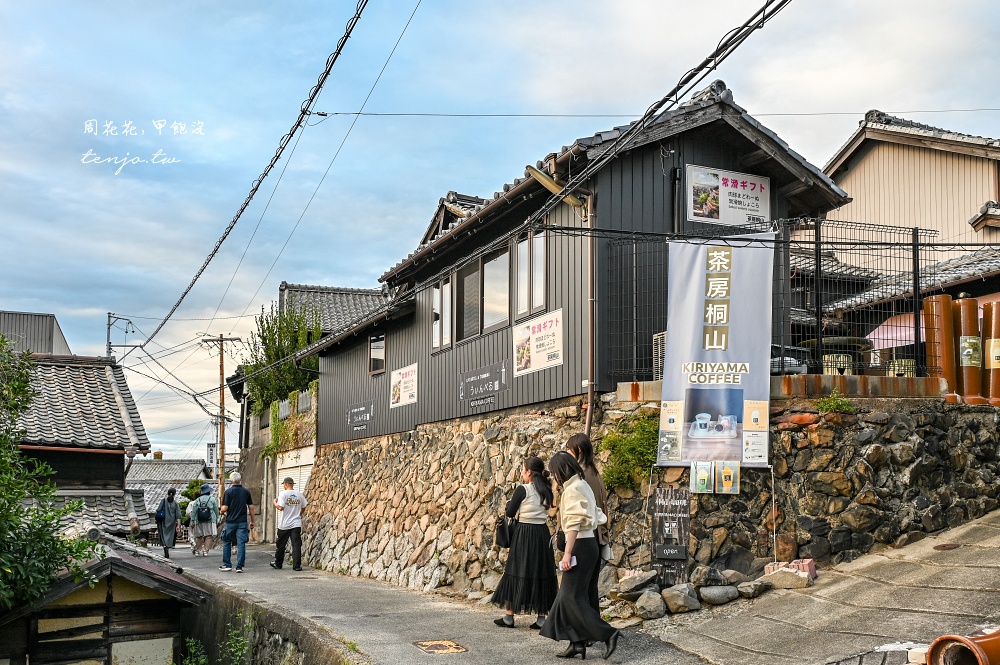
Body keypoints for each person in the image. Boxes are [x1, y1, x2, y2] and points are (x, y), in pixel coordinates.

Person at [540, 452, 620, 660]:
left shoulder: (573, 489)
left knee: (571, 597)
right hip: (589, 544)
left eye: (554, 472)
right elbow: (598, 514)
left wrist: (567, 553)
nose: (554, 477)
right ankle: (576, 644)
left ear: (561, 470)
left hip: (579, 546)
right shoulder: (583, 485)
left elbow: (574, 523)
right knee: (573, 596)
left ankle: (608, 633)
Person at [491, 457, 558, 629]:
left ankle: (509, 616)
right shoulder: (546, 488)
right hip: (542, 533)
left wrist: (509, 506)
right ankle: (541, 618)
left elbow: (511, 512)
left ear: (528, 472)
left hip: (524, 533)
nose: (522, 473)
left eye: (523, 470)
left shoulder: (523, 489)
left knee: (516, 570)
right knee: (540, 571)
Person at [566, 433, 611, 612]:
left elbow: (580, 512)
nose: (568, 454)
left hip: (585, 536)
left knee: (578, 589)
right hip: (598, 536)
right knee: (590, 587)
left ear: (578, 451)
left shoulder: (581, 476)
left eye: (569, 450)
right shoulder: (594, 471)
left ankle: (588, 630)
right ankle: (593, 628)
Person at [219, 471, 255, 573]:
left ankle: (227, 564)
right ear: (240, 480)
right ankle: (239, 566)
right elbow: (251, 507)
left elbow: (225, 508)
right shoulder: (246, 492)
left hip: (230, 522)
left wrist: (221, 511)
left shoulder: (228, 492)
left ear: (231, 480)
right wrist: (252, 521)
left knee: (226, 541)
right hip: (242, 521)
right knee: (241, 543)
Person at [270, 477, 308, 571]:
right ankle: (297, 566)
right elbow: (304, 507)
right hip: (296, 523)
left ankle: (278, 564)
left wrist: (274, 502)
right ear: (292, 484)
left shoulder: (283, 494)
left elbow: (280, 508)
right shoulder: (299, 495)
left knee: (281, 545)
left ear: (286, 484)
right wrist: (298, 514)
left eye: (284, 484)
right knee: (296, 545)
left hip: (284, 524)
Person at [186, 484, 219, 556]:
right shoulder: (212, 499)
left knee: (199, 536)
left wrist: (193, 520)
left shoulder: (198, 500)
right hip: (210, 520)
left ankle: (197, 550)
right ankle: (205, 551)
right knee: (209, 535)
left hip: (199, 519)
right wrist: (217, 519)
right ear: (208, 492)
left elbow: (194, 511)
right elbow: (216, 510)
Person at [156, 488, 182, 559]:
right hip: (172, 523)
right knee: (169, 535)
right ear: (174, 494)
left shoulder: (163, 501)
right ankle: (167, 546)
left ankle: (164, 546)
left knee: (163, 534)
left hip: (162, 521)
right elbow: (178, 516)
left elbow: (158, 510)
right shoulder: (176, 503)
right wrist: (178, 526)